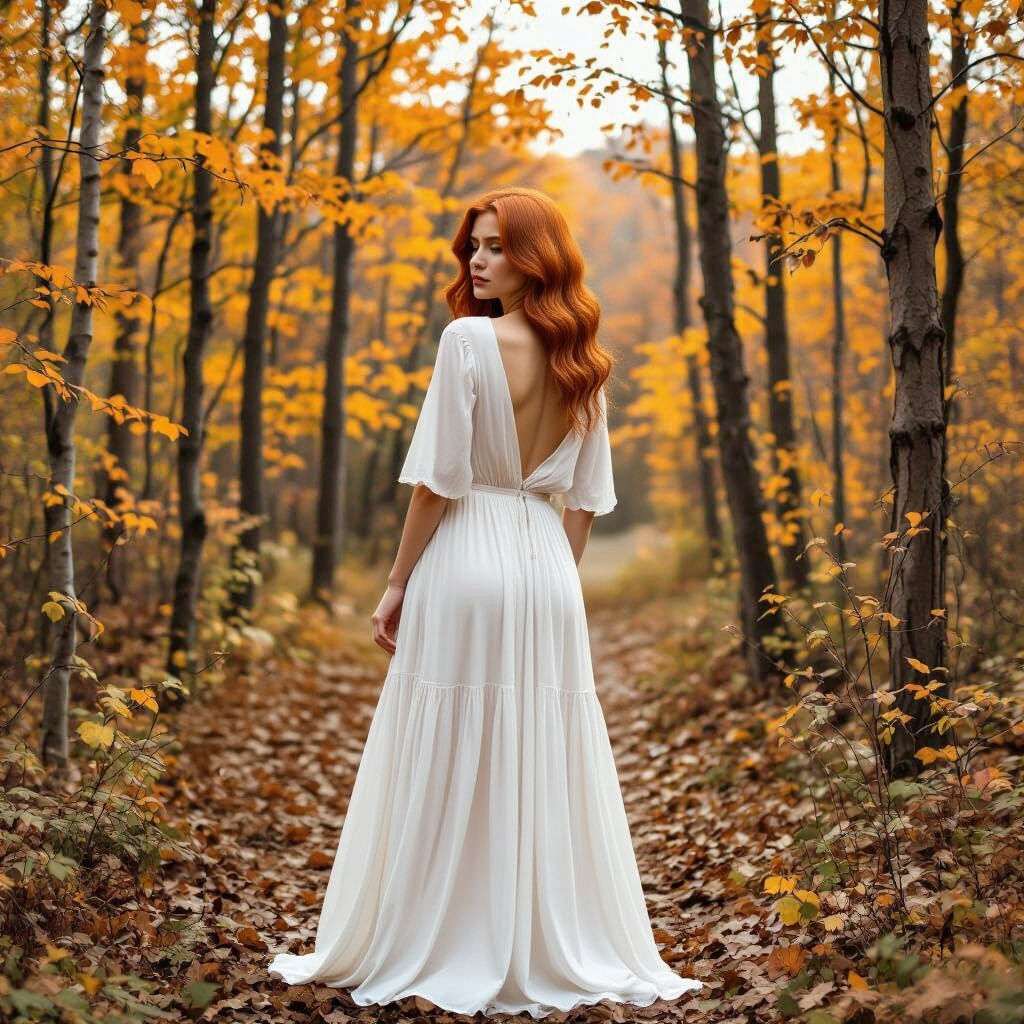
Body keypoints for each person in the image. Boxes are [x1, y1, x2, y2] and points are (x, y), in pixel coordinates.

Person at [267, 187, 703, 1018]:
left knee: (447, 744)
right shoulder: (585, 359)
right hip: (545, 566)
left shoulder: (467, 340)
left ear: (536, 255)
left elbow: (437, 483)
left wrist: (396, 582)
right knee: (537, 745)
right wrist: (548, 584)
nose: (477, 259)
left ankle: (441, 930)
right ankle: (539, 935)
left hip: (467, 554)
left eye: (497, 246)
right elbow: (581, 500)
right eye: (474, 244)